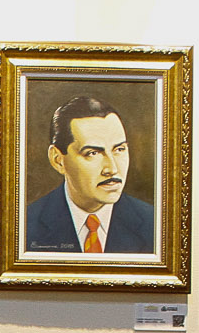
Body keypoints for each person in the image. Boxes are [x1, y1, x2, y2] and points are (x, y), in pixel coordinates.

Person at [25, 94, 155, 255]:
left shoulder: (155, 225)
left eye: (119, 150)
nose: (112, 169)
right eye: (93, 153)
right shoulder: (24, 227)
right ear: (58, 160)